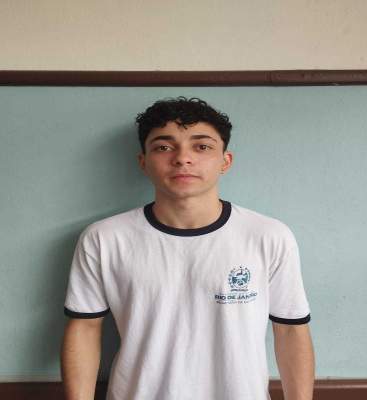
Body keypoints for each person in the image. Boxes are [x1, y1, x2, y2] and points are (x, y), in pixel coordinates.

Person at [60, 96, 315, 400]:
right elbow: (85, 329)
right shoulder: (104, 238)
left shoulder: (269, 235)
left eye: (202, 146)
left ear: (225, 161)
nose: (183, 158)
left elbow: (290, 330)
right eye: (163, 147)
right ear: (143, 161)